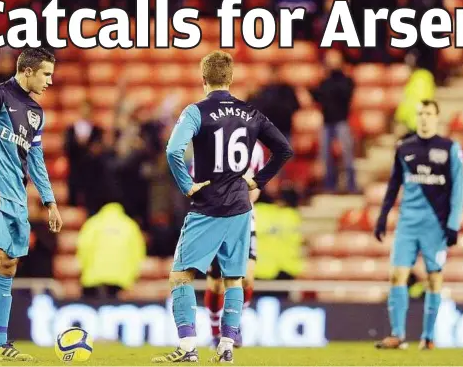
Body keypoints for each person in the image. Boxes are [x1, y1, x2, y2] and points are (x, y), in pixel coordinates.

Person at [152, 51, 293, 363]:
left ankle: (188, 348)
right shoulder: (252, 113)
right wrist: (258, 182)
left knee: (180, 276)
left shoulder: (195, 111)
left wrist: (186, 185)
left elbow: (173, 149)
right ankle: (226, 347)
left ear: (203, 80)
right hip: (241, 208)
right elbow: (284, 149)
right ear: (231, 79)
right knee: (233, 279)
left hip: (207, 206)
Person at [0, 47, 63, 361]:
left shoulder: (36, 112)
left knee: (8, 267)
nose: (50, 80)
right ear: (28, 71)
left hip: (18, 198)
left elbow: (35, 159)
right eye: (46, 74)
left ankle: (1, 341)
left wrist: (50, 201)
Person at [374, 100, 463, 350]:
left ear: (437, 117)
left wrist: (453, 224)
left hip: (435, 225)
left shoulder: (449, 148)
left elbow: (459, 188)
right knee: (397, 275)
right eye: (421, 114)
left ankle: (428, 336)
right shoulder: (404, 147)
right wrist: (382, 216)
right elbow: (394, 185)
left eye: (428, 113)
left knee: (434, 279)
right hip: (408, 223)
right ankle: (398, 334)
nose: (424, 118)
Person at [203, 141, 265, 348]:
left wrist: (247, 194)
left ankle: (234, 326)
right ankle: (214, 332)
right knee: (218, 284)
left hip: (246, 220)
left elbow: (258, 186)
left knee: (246, 278)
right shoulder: (210, 145)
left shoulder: (255, 149)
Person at [311, 49, 357, 193]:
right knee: (326, 158)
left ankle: (351, 185)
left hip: (341, 122)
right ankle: (329, 185)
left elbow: (344, 95)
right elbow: (319, 97)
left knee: (347, 155)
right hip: (326, 123)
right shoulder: (324, 81)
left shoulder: (346, 80)